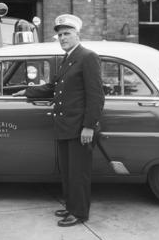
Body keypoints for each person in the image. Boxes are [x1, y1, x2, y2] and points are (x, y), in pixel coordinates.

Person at [14, 14, 105, 226]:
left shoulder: (87, 57)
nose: (62, 38)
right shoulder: (68, 58)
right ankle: (71, 207)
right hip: (66, 127)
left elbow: (96, 96)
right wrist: (27, 91)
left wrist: (89, 127)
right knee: (68, 172)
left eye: (67, 34)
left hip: (79, 128)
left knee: (78, 174)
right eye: (60, 34)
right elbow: (53, 87)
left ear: (77, 35)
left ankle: (80, 213)